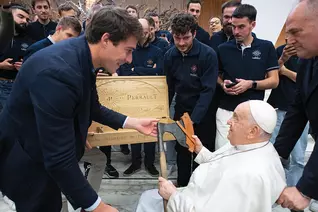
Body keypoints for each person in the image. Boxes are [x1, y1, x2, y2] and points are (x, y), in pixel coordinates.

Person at [0, 7, 158, 212]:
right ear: (106, 39)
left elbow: (92, 107)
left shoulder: (82, 56)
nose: (129, 60)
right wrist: (98, 207)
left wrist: (132, 122)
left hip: (41, 155)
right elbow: (59, 159)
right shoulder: (59, 71)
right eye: (128, 50)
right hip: (26, 161)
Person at [135, 100, 286, 212]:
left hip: (187, 204)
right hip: (193, 196)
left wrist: (173, 196)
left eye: (236, 118)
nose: (228, 121)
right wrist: (201, 151)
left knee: (146, 201)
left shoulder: (250, 175)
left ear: (253, 131)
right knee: (148, 197)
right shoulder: (252, 145)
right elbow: (223, 164)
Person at [215, 4, 279, 150]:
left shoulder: (266, 47)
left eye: (241, 27)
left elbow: (274, 81)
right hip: (226, 111)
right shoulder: (223, 49)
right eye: (233, 26)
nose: (236, 31)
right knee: (222, 154)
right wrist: (222, 84)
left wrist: (251, 84)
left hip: (253, 114)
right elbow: (216, 75)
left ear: (253, 24)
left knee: (249, 156)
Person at [274, 0, 318, 211]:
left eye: (295, 32)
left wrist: (305, 189)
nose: (289, 40)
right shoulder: (307, 59)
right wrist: (275, 155)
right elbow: (297, 111)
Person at [165, 13, 218, 186]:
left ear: (194, 34)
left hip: (204, 112)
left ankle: (201, 189)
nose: (181, 43)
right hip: (182, 109)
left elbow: (208, 90)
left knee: (202, 152)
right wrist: (164, 112)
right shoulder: (170, 55)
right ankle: (181, 188)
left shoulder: (207, 54)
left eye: (185, 38)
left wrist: (194, 120)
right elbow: (169, 88)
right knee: (182, 151)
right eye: (177, 38)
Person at [267, 43, 309, 188]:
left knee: (297, 158)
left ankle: (293, 192)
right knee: (274, 155)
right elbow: (270, 75)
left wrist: (285, 71)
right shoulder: (280, 50)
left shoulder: (310, 53)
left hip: (302, 113)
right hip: (278, 108)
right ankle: (274, 191)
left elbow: (306, 81)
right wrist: (282, 59)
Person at [0, 4, 32, 111]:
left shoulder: (29, 41)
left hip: (15, 86)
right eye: (20, 17)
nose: (24, 21)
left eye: (27, 19)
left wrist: (25, 65)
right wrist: (1, 65)